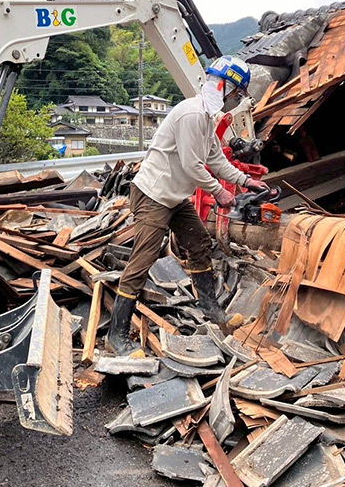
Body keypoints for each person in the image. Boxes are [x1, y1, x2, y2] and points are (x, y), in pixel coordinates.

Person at [106, 56, 268, 356]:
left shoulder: (207, 117)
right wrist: (220, 192)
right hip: (153, 195)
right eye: (237, 95)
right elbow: (192, 165)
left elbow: (215, 158)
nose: (237, 101)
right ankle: (116, 335)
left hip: (174, 196)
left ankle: (211, 311)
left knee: (199, 243)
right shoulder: (192, 115)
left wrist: (245, 181)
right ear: (225, 88)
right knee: (143, 260)